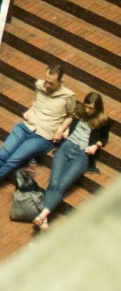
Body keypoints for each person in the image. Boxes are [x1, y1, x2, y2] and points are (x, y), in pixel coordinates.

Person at [0, 63, 77, 198]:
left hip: (43, 136)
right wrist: (31, 110)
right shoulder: (39, 85)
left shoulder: (68, 97)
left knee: (13, 159)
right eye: (46, 80)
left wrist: (61, 129)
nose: (47, 85)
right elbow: (37, 102)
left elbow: (71, 115)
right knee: (3, 154)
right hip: (26, 126)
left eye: (51, 83)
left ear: (60, 82)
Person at [31, 91, 111, 231]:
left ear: (97, 108)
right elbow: (70, 119)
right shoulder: (79, 111)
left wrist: (95, 146)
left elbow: (104, 138)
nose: (88, 110)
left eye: (91, 108)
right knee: (54, 182)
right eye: (86, 106)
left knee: (61, 185)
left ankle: (42, 216)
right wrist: (64, 129)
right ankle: (44, 218)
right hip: (67, 147)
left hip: (82, 154)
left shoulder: (103, 120)